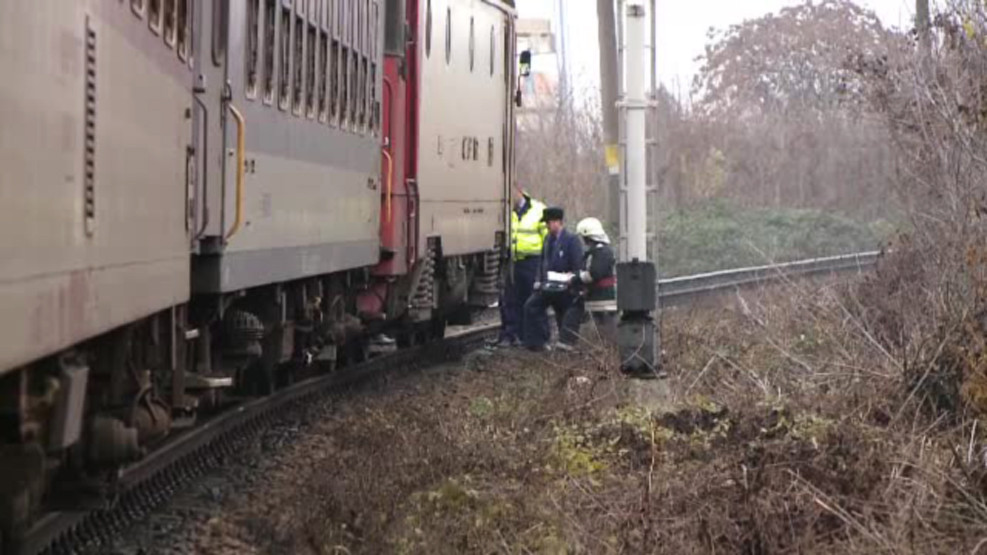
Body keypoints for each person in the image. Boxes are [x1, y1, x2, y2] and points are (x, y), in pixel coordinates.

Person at [523, 207, 584, 351]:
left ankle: (567, 344)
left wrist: (571, 279)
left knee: (564, 313)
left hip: (565, 286)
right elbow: (542, 261)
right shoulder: (547, 239)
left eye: (548, 223)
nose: (547, 226)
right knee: (531, 306)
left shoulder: (572, 240)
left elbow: (577, 265)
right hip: (548, 285)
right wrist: (539, 280)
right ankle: (538, 342)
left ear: (558, 222)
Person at [492, 185, 547, 347]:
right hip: (513, 261)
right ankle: (512, 334)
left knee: (532, 299)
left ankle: (534, 337)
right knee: (510, 299)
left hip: (533, 260)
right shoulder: (507, 211)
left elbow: (547, 238)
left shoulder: (538, 210)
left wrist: (545, 263)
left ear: (519, 192)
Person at [568, 217, 618, 344]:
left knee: (604, 327)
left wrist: (576, 278)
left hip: (602, 297)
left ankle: (606, 348)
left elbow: (594, 273)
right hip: (599, 295)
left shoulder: (601, 252)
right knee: (600, 325)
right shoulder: (600, 251)